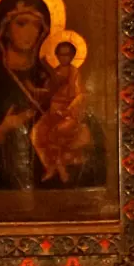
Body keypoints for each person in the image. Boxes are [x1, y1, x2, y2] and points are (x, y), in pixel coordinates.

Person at [0, 0, 105, 190]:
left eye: (36, 26)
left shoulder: (54, 79)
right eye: (22, 23)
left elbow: (95, 147)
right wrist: (1, 131)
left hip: (53, 197)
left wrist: (81, 134)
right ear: (4, 30)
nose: (30, 32)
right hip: (1, 196)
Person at [31, 41, 91, 183]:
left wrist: (68, 110)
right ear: (56, 55)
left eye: (67, 54)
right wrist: (38, 92)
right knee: (36, 133)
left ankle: (59, 169)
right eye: (61, 54)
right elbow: (49, 92)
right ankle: (50, 165)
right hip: (53, 113)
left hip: (68, 114)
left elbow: (80, 95)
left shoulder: (74, 72)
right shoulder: (55, 72)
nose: (64, 57)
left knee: (54, 134)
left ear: (72, 56)